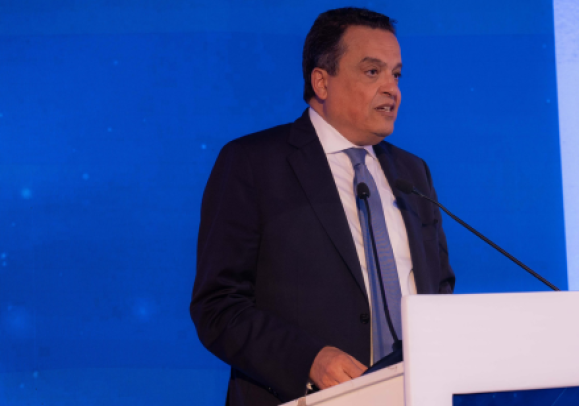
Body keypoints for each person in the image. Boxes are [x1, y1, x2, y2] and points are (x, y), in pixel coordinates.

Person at [190, 7, 454, 406]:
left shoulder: (413, 172)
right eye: (372, 71)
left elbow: (440, 289)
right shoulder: (253, 163)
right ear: (322, 82)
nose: (392, 89)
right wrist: (308, 360)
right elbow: (218, 307)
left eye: (396, 75)